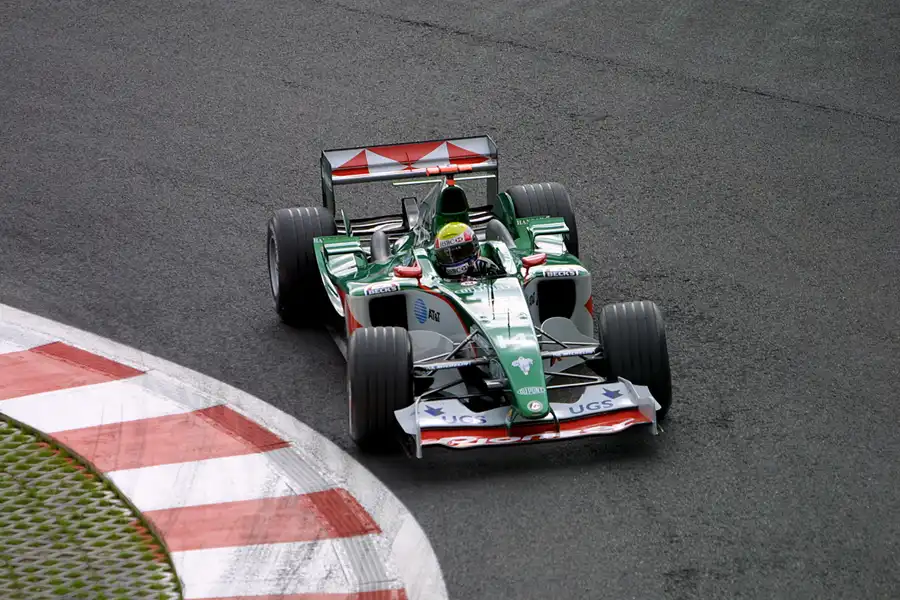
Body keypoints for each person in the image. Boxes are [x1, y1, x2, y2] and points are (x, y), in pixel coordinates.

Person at [433, 222, 503, 279]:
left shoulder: (485, 266)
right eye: (446, 255)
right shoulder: (436, 272)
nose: (453, 259)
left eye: (460, 253)